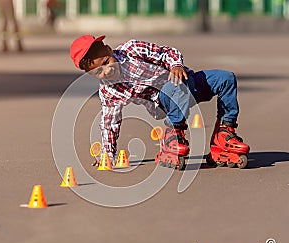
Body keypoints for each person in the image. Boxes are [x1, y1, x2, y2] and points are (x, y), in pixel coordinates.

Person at [69, 35, 250, 168]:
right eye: (98, 72)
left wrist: (176, 65)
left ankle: (224, 134)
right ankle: (173, 134)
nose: (106, 72)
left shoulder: (133, 49)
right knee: (175, 87)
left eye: (107, 63)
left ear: (109, 50)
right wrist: (107, 153)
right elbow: (109, 121)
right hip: (164, 101)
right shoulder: (109, 90)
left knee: (226, 78)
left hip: (187, 79)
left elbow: (166, 53)